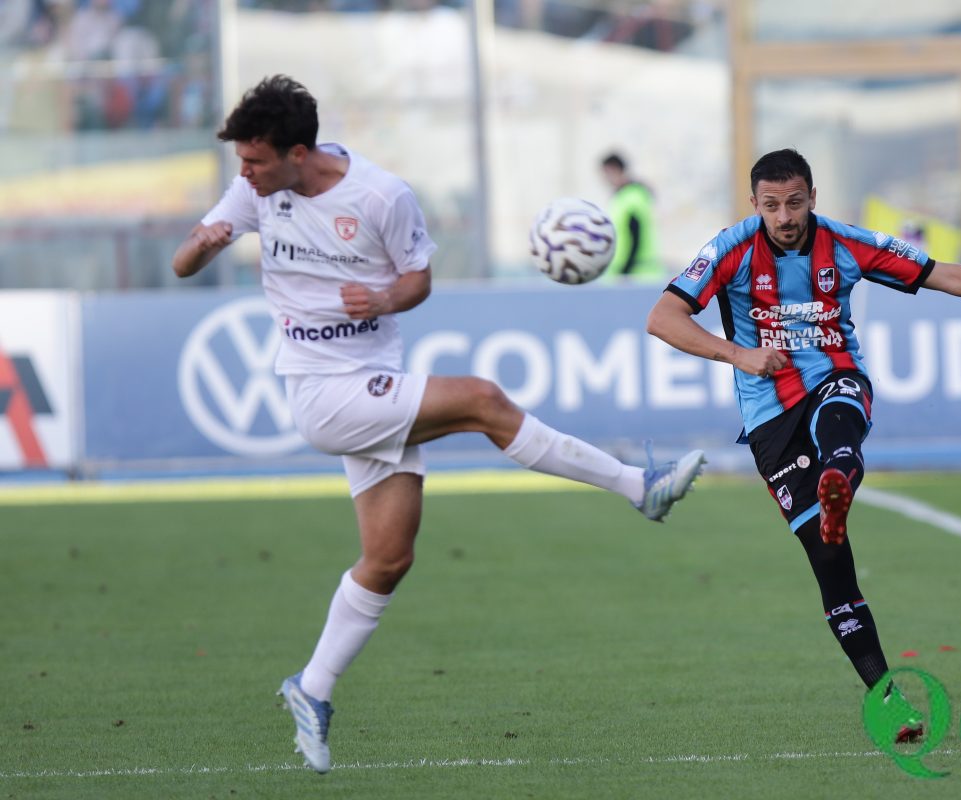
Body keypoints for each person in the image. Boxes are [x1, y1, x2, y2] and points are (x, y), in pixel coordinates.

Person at [172, 75, 706, 774]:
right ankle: (640, 486)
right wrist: (205, 245)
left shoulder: (380, 196)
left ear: (299, 152)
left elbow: (418, 280)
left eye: (255, 161)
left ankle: (312, 687)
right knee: (484, 400)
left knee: (389, 558)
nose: (244, 175)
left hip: (370, 378)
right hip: (322, 391)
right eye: (241, 164)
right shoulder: (256, 192)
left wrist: (382, 297)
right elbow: (184, 262)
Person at [646, 148, 961, 744]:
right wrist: (740, 354)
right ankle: (889, 698)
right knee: (831, 567)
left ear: (813, 198)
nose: (784, 216)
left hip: (836, 378)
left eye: (796, 202)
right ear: (754, 204)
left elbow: (945, 274)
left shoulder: (845, 241)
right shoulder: (729, 248)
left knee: (842, 409)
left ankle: (838, 478)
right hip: (769, 415)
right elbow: (662, 317)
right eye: (772, 205)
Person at [599, 152, 662, 282]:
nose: (605, 179)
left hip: (637, 275)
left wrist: (625, 272)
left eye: (606, 173)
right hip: (630, 273)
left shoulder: (632, 197)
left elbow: (635, 235)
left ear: (614, 169)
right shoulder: (623, 197)